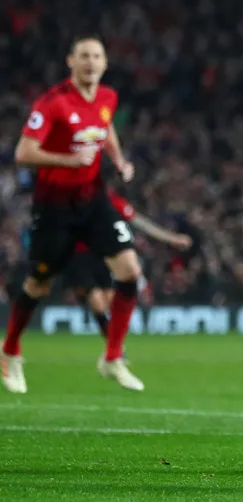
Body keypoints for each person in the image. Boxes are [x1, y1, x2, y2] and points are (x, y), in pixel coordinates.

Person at [2, 34, 144, 393]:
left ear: (105, 63)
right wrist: (69, 159)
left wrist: (119, 160)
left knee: (130, 271)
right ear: (71, 62)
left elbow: (105, 129)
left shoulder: (107, 97)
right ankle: (10, 350)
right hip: (55, 207)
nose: (90, 62)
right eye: (84, 56)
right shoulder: (53, 103)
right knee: (39, 284)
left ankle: (112, 357)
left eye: (97, 56)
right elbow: (23, 153)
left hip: (93, 200)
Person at [62, 188, 193, 362]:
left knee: (110, 304)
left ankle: (114, 349)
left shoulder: (110, 199)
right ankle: (115, 352)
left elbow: (139, 221)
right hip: (78, 258)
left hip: (103, 257)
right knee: (98, 303)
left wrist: (171, 238)